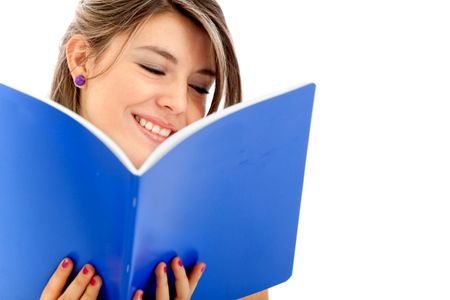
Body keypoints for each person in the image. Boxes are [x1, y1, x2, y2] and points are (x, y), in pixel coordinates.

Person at [39, 0, 269, 299]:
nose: (180, 102)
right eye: (154, 69)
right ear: (82, 59)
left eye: (199, 87)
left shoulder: (232, 245)